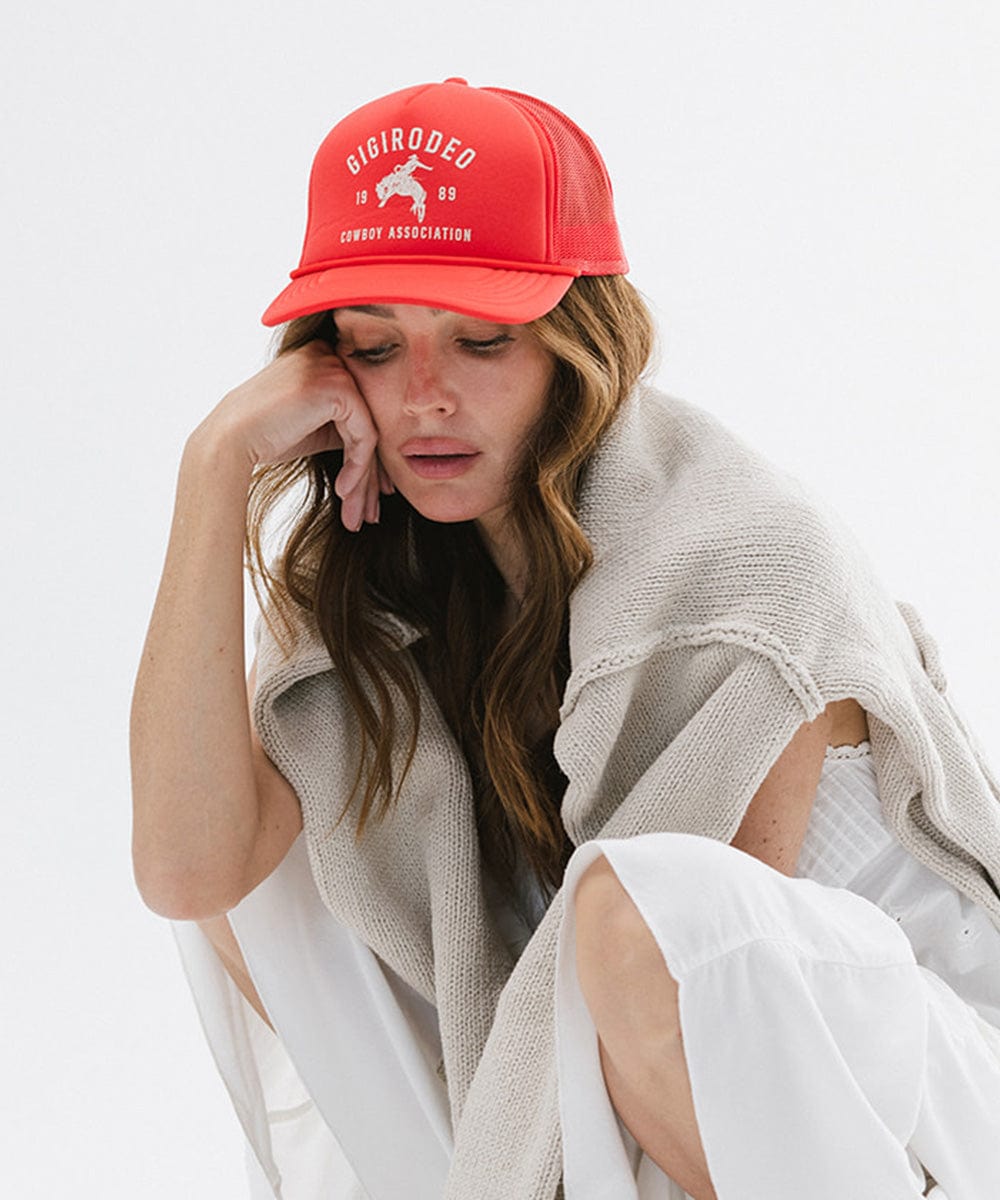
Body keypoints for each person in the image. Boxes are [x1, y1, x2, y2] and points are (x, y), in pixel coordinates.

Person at [129, 78, 1000, 1200]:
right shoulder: (373, 579)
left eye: (481, 341)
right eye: (374, 348)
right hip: (624, 1078)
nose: (424, 398)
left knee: (635, 914)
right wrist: (211, 476)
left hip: (916, 1111)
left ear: (577, 343)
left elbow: (685, 1008)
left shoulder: (744, 558)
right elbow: (187, 865)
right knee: (269, 855)